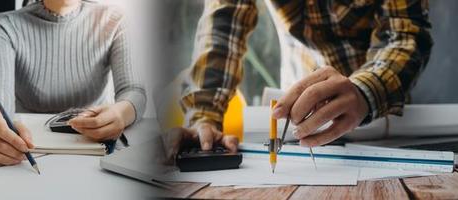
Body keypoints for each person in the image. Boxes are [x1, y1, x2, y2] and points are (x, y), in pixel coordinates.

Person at [168, 0, 433, 156]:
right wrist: (204, 115)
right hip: (296, 121)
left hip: (379, 110)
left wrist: (363, 91)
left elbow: (405, 33)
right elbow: (223, 25)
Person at [0, 0, 146, 165]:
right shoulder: (5, 25)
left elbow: (134, 90)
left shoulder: (115, 20)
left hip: (95, 152)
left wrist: (121, 114)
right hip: (28, 152)